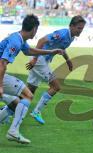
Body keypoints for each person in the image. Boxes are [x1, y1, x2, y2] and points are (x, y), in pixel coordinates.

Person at [0, 14, 64, 144]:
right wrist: (0, 85)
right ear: (34, 28)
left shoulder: (19, 38)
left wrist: (51, 51)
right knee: (27, 95)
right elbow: (2, 63)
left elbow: (29, 51)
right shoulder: (16, 41)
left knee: (15, 104)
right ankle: (13, 131)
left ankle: (11, 127)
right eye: (37, 29)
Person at [21, 15, 86, 125]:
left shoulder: (71, 37)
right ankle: (36, 111)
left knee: (30, 91)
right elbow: (41, 41)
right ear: (71, 26)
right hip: (39, 60)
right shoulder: (61, 34)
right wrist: (35, 59)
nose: (81, 31)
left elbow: (62, 49)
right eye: (79, 28)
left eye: (82, 28)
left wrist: (68, 60)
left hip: (42, 61)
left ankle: (8, 110)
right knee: (56, 86)